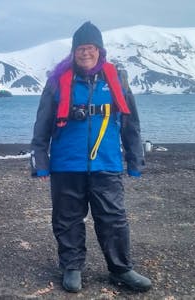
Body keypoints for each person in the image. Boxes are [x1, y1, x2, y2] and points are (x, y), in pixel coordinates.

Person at [30, 21, 152, 293]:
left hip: (107, 163)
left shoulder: (116, 79)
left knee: (113, 218)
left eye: (91, 48)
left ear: (100, 51)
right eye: (81, 48)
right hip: (66, 165)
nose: (86, 53)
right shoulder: (57, 82)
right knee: (67, 218)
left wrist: (135, 160)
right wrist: (40, 161)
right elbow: (42, 124)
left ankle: (121, 269)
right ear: (73, 52)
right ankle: (72, 267)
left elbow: (131, 124)